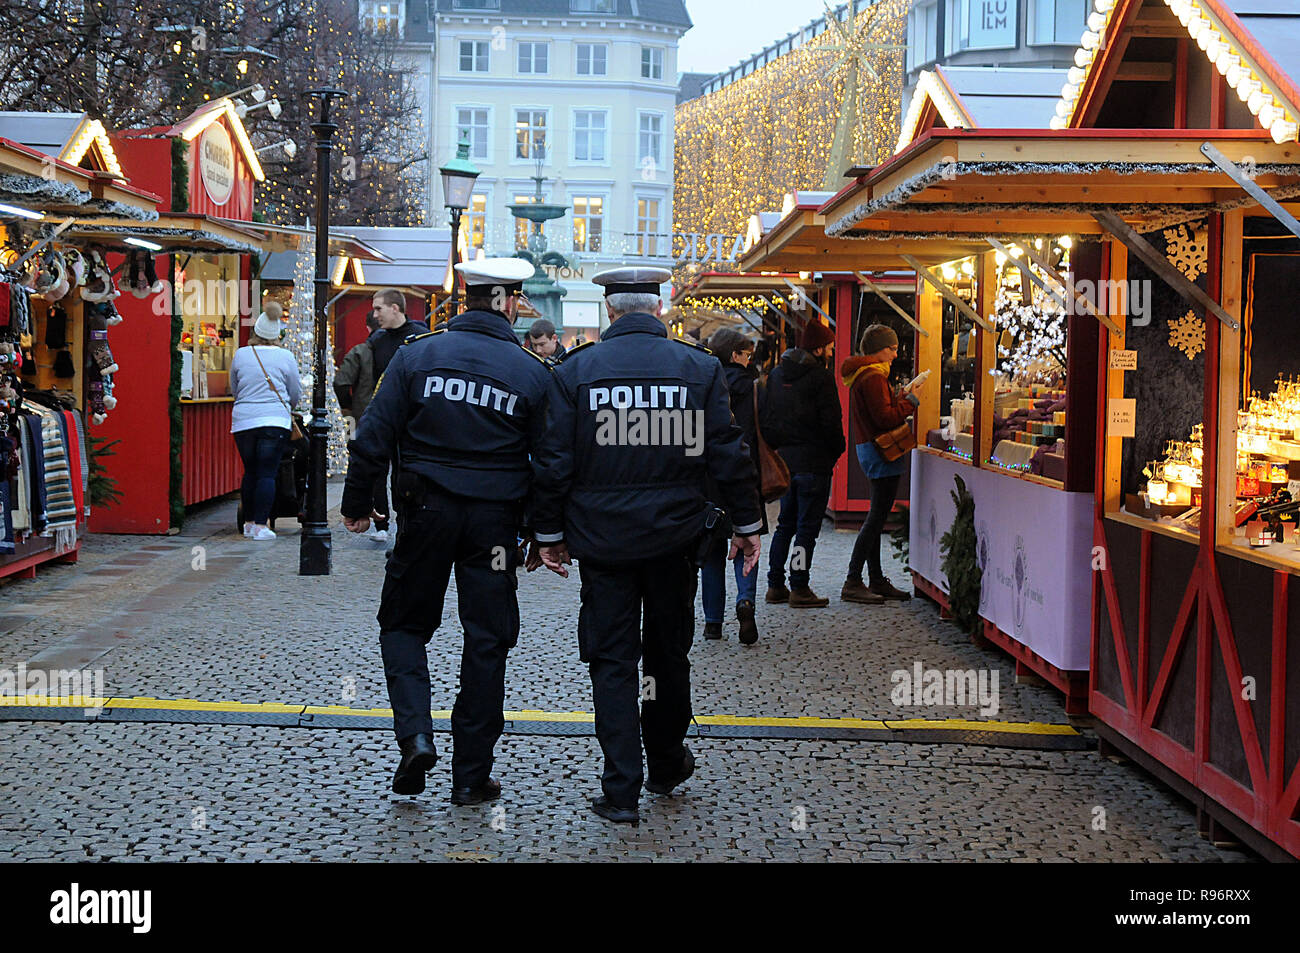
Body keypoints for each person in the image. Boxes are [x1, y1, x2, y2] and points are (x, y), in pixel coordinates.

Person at [532, 267, 762, 825]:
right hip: (673, 538)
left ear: (610, 312)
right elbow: (725, 452)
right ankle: (664, 761)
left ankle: (620, 790)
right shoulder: (699, 367)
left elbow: (554, 459)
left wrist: (548, 535)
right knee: (666, 652)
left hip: (603, 541)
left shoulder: (576, 370)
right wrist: (748, 524)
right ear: (657, 310)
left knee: (612, 660)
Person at [340, 258, 552, 803]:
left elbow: (372, 436)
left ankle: (415, 736)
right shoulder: (531, 371)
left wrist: (357, 502)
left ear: (467, 296)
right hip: (496, 527)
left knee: (404, 625)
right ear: (508, 302)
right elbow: (553, 463)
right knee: (488, 640)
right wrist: (544, 532)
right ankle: (471, 776)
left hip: (424, 514)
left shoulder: (417, 356)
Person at [762, 319, 845, 607]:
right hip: (814, 464)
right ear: (819, 349)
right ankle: (799, 586)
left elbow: (767, 419)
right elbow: (832, 422)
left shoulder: (775, 375)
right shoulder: (821, 378)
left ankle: (775, 584)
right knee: (806, 529)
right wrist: (835, 451)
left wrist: (778, 451)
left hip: (786, 463)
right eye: (830, 347)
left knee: (784, 524)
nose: (832, 352)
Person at [841, 324, 923, 602]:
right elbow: (885, 418)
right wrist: (911, 401)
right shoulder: (874, 377)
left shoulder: (864, 375)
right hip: (880, 450)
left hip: (868, 448)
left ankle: (875, 579)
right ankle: (853, 579)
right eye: (892, 348)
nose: (895, 353)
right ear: (879, 349)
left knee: (875, 516)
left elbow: (880, 411)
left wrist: (898, 397)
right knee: (876, 518)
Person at [699, 327, 765, 645]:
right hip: (744, 473)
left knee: (711, 551)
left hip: (709, 477)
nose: (750, 359)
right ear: (735, 355)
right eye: (747, 354)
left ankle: (713, 621)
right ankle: (745, 600)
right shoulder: (753, 388)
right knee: (746, 541)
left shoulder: (704, 383)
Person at [228, 303, 301, 541]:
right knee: (268, 474)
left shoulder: (241, 354)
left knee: (250, 472)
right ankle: (261, 523)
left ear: (255, 332)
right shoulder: (286, 356)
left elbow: (235, 388)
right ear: (277, 334)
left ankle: (248, 522)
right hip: (274, 420)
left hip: (244, 422)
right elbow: (294, 392)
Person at [365, 290, 430, 538]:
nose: (374, 314)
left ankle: (406, 525)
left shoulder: (421, 337)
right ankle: (382, 523)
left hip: (414, 419)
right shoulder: (376, 342)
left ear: (395, 308)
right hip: (384, 417)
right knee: (379, 470)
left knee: (405, 473)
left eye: (378, 308)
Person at [335, 310, 385, 540]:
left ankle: (377, 520)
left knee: (365, 465)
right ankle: (386, 522)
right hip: (397, 419)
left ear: (367, 327)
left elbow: (342, 382)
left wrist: (348, 410)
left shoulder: (359, 352)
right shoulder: (400, 350)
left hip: (362, 416)